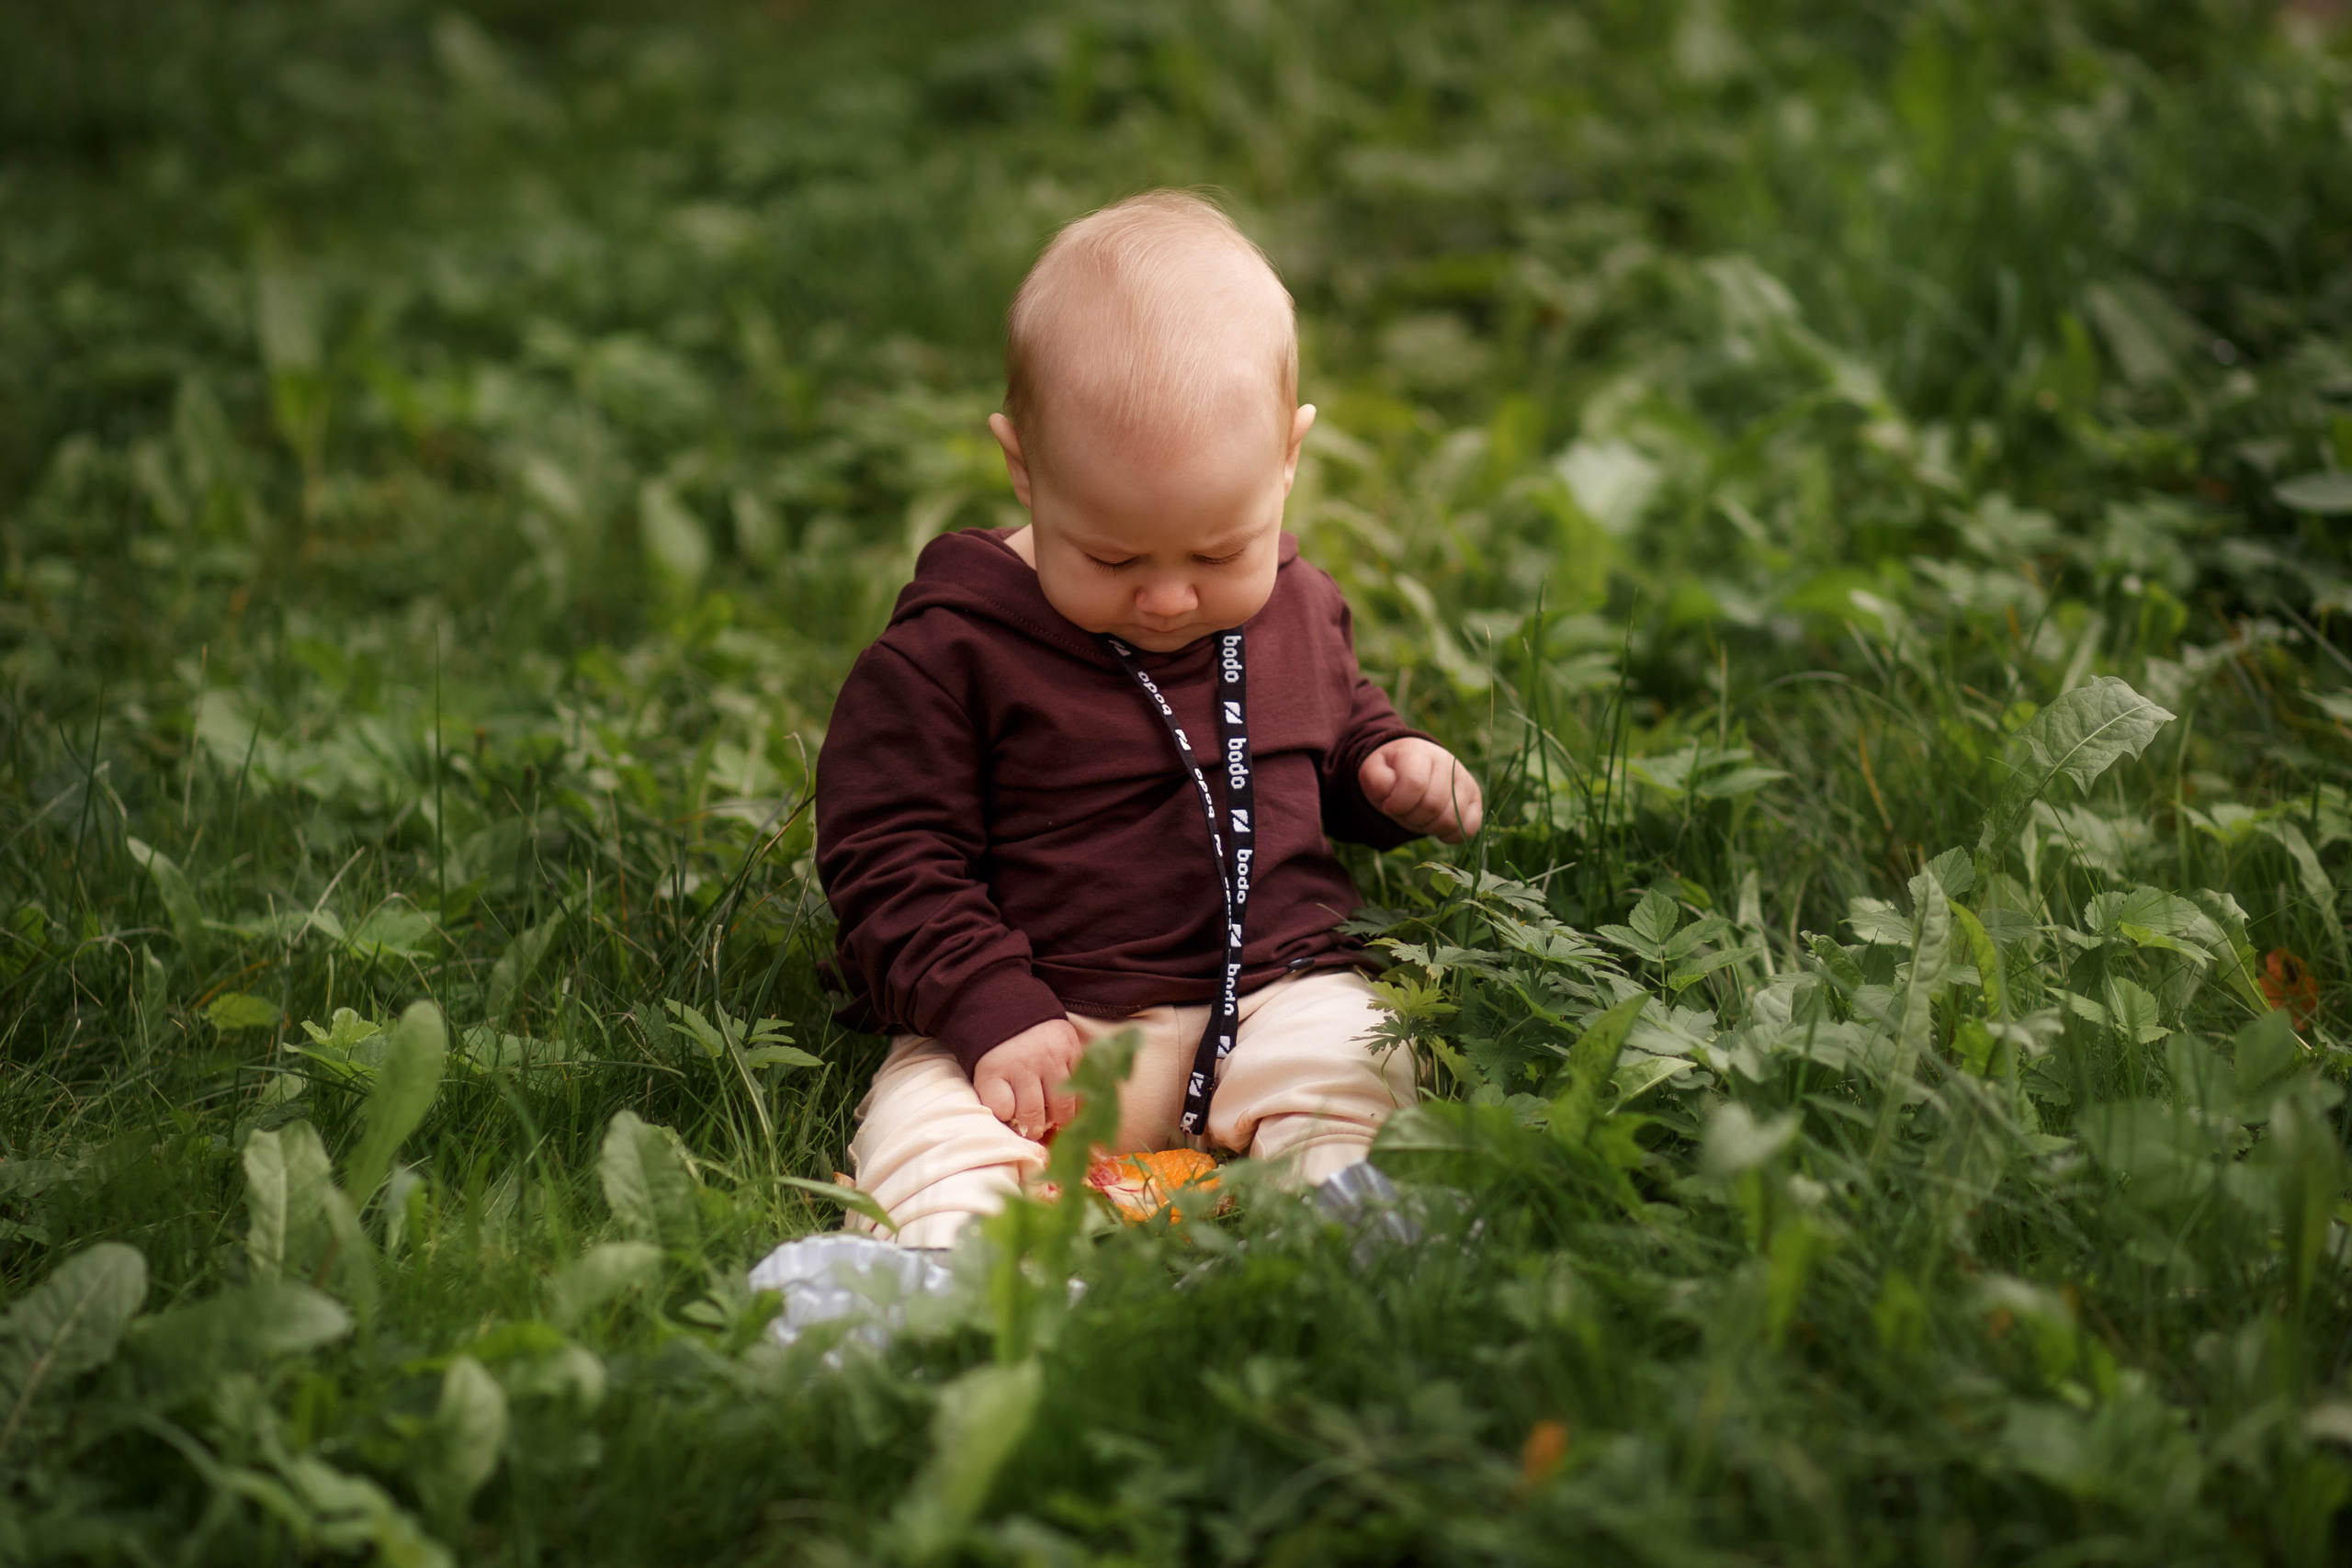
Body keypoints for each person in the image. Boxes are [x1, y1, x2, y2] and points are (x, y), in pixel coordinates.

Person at [813, 190, 1482, 1249]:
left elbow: (1329, 727)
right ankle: (951, 1266)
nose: (1169, 599)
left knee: (1360, 1049)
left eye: (1218, 553)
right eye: (1111, 557)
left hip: (1272, 992)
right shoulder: (951, 653)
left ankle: (1347, 1217)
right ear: (1023, 468)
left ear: (1289, 458)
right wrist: (987, 1000)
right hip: (1051, 1028)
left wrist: (1385, 766)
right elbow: (888, 852)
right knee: (930, 1118)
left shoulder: (1297, 605)